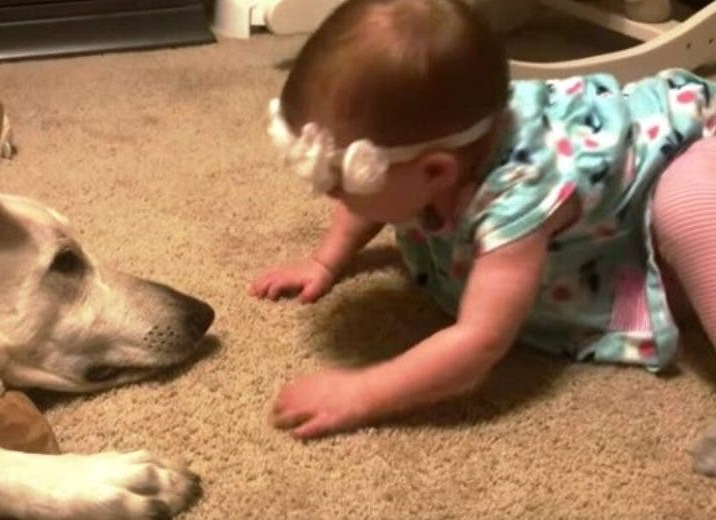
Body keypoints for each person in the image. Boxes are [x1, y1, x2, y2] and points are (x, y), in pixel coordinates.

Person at [250, 0, 716, 443]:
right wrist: (325, 261)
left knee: (687, 207)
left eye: (338, 185)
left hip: (692, 144)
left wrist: (362, 392)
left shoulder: (517, 198)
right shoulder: (439, 153)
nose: (328, 196)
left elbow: (479, 344)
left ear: (436, 172)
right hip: (622, 203)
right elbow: (362, 203)